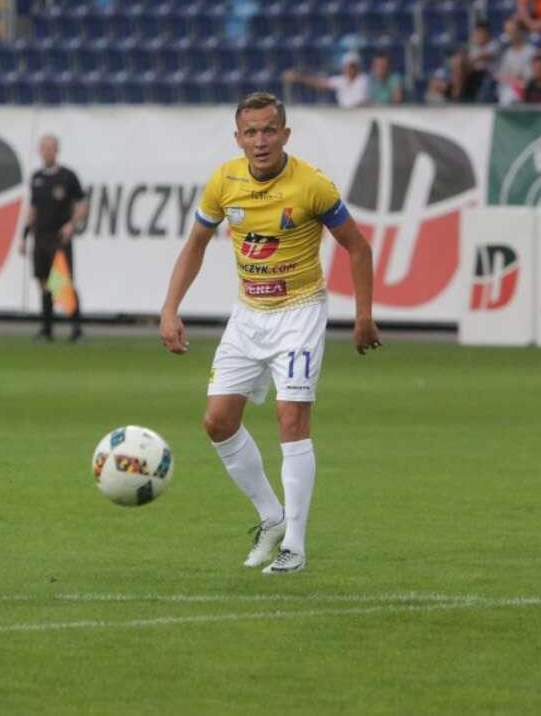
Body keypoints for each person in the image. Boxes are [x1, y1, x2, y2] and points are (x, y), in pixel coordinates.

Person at [158, 91, 380, 575]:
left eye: (269, 131)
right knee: (217, 422)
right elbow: (195, 245)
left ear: (285, 134)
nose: (260, 141)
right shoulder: (225, 181)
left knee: (290, 417)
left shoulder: (311, 185)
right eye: (251, 132)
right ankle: (271, 516)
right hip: (248, 314)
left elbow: (357, 247)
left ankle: (294, 546)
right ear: (238, 138)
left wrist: (363, 316)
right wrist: (170, 308)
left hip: (300, 311)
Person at [18, 134, 88, 342]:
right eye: (44, 148)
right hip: (40, 236)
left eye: (50, 148)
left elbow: (83, 204)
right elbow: (33, 209)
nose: (47, 152)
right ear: (40, 151)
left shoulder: (67, 176)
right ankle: (47, 329)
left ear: (56, 150)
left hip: (59, 238)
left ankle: (76, 329)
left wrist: (71, 225)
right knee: (43, 282)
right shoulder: (36, 177)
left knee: (63, 282)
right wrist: (24, 235)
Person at [282, 51, 370, 107]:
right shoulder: (341, 80)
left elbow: (364, 102)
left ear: (358, 67)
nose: (350, 69)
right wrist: (298, 77)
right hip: (345, 115)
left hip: (360, 114)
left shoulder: (364, 79)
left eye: (353, 66)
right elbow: (320, 82)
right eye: (348, 66)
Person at [495, 17, 536, 105]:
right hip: (509, 88)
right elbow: (502, 74)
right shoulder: (507, 53)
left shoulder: (531, 51)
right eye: (508, 32)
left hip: (526, 88)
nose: (511, 35)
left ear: (520, 32)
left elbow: (531, 76)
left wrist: (518, 78)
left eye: (513, 31)